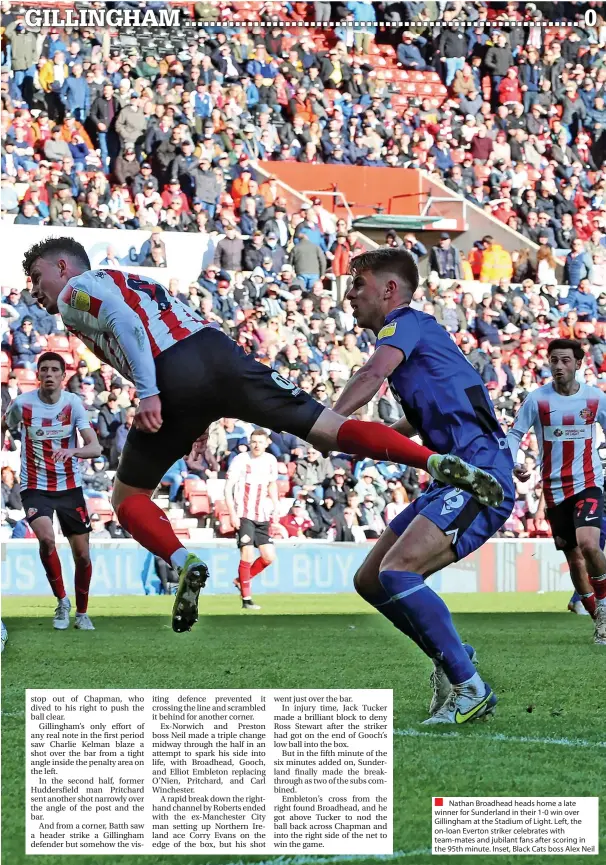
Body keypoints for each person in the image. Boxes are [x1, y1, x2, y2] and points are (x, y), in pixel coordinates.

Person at [24, 237, 504, 635]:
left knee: (128, 499)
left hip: (171, 375)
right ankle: (433, 462)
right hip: (217, 353)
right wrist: (199, 416)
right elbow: (172, 329)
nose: (35, 290)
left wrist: (151, 392)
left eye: (37, 276)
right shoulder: (135, 280)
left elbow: (127, 326)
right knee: (329, 430)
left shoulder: (75, 293)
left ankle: (184, 560)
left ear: (63, 266)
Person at [336, 247, 514, 725]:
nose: (350, 295)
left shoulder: (405, 325)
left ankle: (469, 686)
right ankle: (453, 658)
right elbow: (414, 428)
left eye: (359, 284)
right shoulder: (420, 350)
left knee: (397, 573)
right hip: (452, 477)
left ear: (389, 290)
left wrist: (328, 420)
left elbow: (372, 373)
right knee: (369, 581)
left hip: (482, 477)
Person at [507, 339, 606, 646]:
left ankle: (603, 607)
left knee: (589, 544)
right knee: (574, 559)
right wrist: (515, 462)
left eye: (565, 360)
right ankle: (598, 618)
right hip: (553, 489)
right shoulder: (538, 399)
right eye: (554, 361)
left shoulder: (595, 398)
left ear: (578, 364)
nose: (559, 366)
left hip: (588, 482)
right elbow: (514, 434)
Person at [3, 352, 102, 630]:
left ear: (62, 376)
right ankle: (62, 601)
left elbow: (95, 447)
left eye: (54, 370)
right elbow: (4, 426)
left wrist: (72, 451)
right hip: (35, 486)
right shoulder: (22, 405)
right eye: (43, 369)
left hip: (70, 488)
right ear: (37, 375)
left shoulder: (74, 404)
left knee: (82, 555)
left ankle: (82, 613)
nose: (48, 374)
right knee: (46, 539)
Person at [225, 428, 279, 610]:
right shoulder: (241, 460)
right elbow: (228, 488)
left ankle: (241, 580)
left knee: (269, 557)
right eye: (254, 441)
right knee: (247, 554)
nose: (257, 445)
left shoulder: (271, 460)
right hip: (244, 514)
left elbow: (272, 485)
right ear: (249, 442)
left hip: (262, 515)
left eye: (260, 442)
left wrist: (276, 507)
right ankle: (246, 600)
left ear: (267, 443)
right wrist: (232, 513)